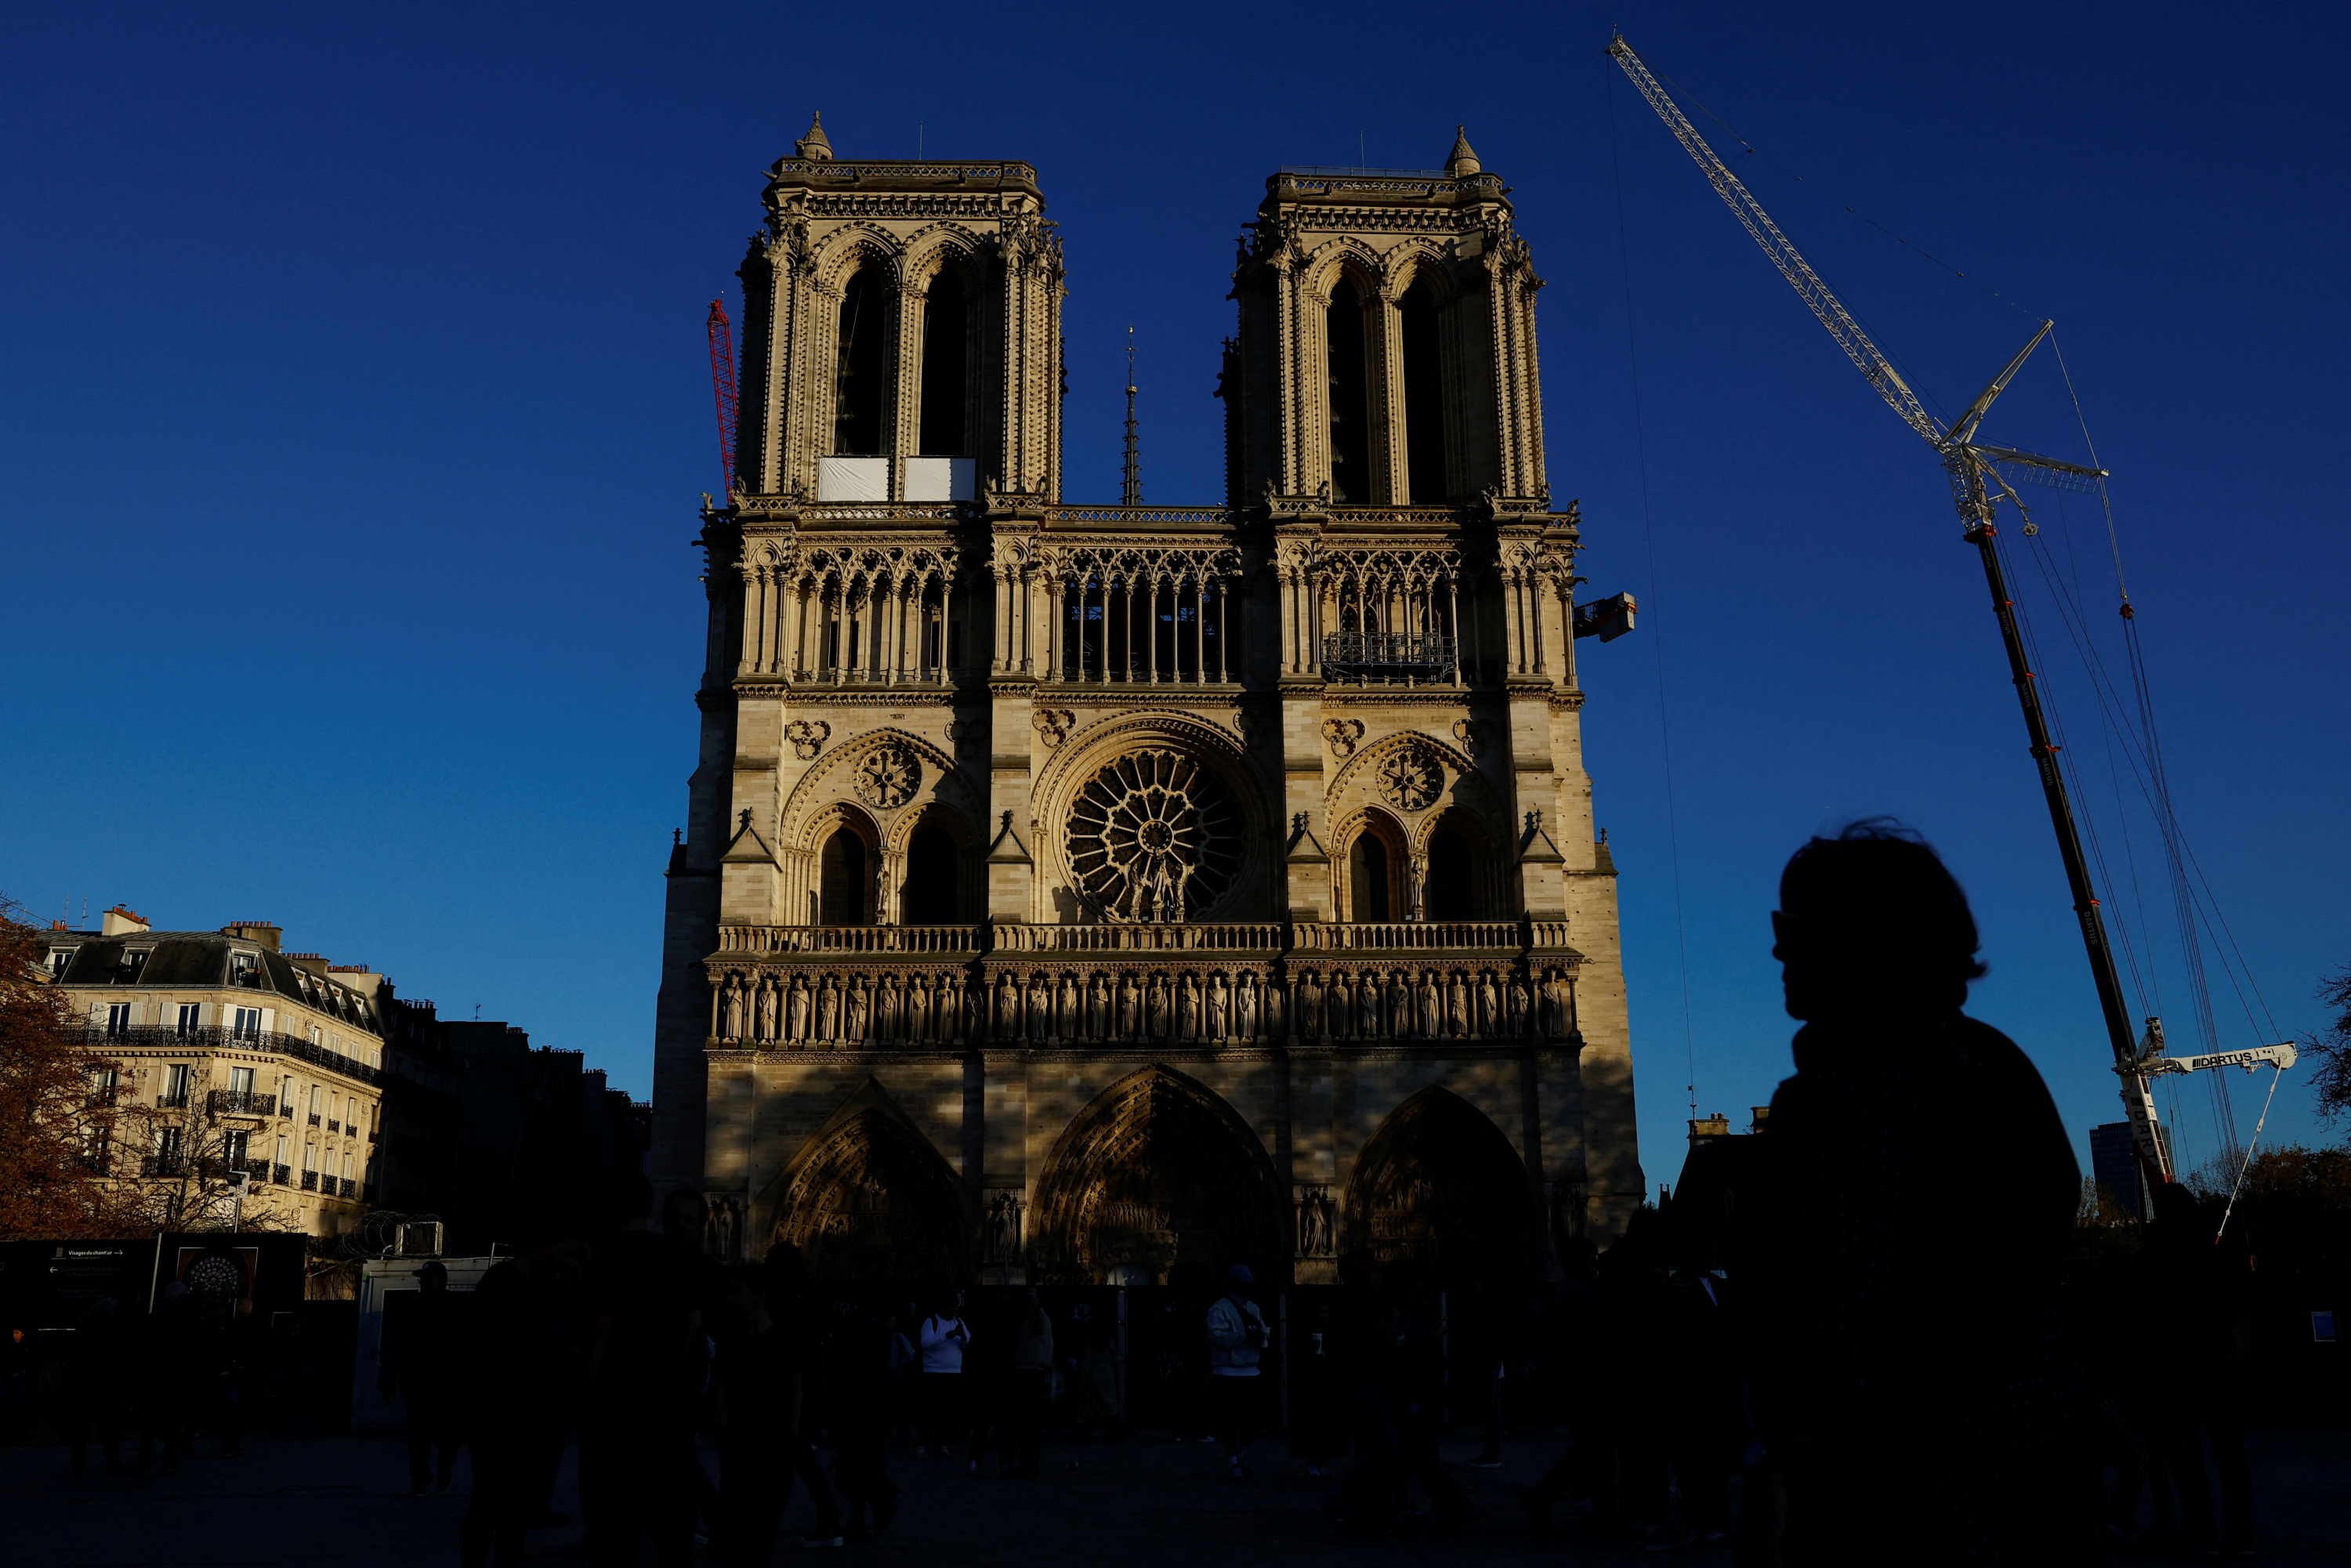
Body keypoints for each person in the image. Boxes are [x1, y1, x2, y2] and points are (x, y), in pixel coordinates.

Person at [1747, 820, 2099, 1565]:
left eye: (1794, 925)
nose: (1777, 947)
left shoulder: (1848, 1091)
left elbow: (1848, 1319)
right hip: (2034, 1444)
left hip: (1904, 1487)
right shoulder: (1996, 1058)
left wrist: (1800, 1466)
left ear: (1865, 940)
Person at [577, 1172, 701, 1568]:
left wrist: (578, 1397)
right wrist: (670, 1369)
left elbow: (601, 1329)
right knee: (672, 1520)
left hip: (617, 1403)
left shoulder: (608, 1256)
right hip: (668, 1402)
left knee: (618, 1521)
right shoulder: (676, 1254)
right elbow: (692, 1321)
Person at [380, 1260, 465, 1496]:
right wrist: (388, 1378)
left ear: (441, 1280)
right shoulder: (413, 1306)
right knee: (423, 1434)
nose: (423, 1282)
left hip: (442, 1384)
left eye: (428, 1278)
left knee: (439, 1434)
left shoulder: (453, 1307)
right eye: (422, 1278)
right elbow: (394, 1346)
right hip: (424, 1383)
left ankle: (433, 1472)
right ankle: (423, 1478)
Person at [1204, 1264, 1268, 1482]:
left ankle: (1239, 1453)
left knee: (1254, 1419)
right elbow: (1216, 1337)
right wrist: (1245, 1336)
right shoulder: (1219, 1308)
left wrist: (1259, 1339)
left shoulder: (1252, 1307)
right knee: (1230, 1420)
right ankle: (1233, 1459)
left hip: (1249, 1370)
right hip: (1228, 1371)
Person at [65, 1296, 129, 1476]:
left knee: (82, 1428)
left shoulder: (83, 1331)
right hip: (103, 1385)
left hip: (84, 1385)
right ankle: (111, 1462)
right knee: (109, 1426)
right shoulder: (109, 1331)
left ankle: (78, 1465)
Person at [917, 1291, 976, 1471]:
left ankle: (943, 1445)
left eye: (956, 1307)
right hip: (933, 1371)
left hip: (953, 1372)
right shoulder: (931, 1322)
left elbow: (968, 1343)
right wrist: (947, 1336)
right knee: (931, 1410)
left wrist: (963, 1338)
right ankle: (923, 1444)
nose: (954, 1310)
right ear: (942, 1307)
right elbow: (925, 1343)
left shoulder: (959, 1322)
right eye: (951, 1307)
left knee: (949, 1412)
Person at [1002, 1287, 1053, 1476]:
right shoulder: (1032, 1319)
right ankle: (1028, 1462)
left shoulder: (1037, 1318)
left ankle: (1028, 1462)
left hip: (1030, 1371)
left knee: (1027, 1420)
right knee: (1028, 1421)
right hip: (1029, 1370)